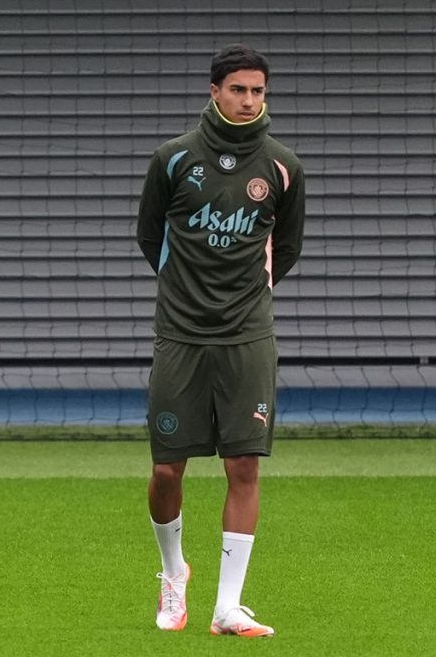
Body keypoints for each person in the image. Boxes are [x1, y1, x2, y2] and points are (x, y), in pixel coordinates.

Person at [136, 43, 305, 636]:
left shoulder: (282, 165)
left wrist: (240, 299)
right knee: (166, 471)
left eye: (258, 91)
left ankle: (227, 607)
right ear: (214, 92)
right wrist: (192, 293)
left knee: (244, 466)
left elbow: (284, 249)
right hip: (180, 335)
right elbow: (149, 237)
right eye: (238, 89)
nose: (249, 100)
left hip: (247, 335)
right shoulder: (174, 159)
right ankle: (173, 573)